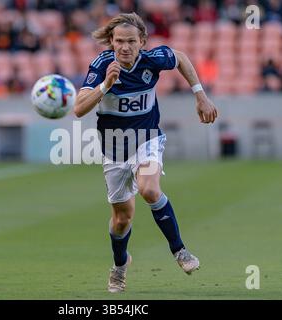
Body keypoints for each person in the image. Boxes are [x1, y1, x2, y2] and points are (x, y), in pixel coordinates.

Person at [73, 12, 218, 293]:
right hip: (114, 149)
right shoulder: (103, 65)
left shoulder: (153, 59)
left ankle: (180, 251)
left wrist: (200, 95)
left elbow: (181, 58)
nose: (124, 47)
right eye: (118, 42)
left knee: (149, 189)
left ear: (141, 42)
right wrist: (105, 86)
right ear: (111, 43)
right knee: (121, 219)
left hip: (147, 139)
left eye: (130, 41)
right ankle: (119, 266)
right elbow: (79, 108)